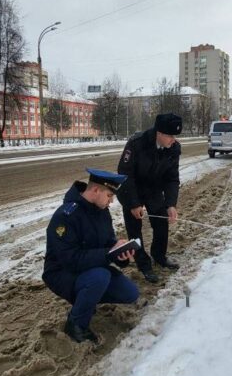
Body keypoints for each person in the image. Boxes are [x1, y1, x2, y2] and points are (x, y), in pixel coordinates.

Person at [43, 168, 140, 343]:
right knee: (99, 277)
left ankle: (87, 298)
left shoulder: (101, 211)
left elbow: (108, 243)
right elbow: (70, 259)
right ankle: (76, 325)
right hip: (61, 272)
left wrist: (120, 254)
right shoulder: (66, 215)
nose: (111, 202)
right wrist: (108, 254)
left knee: (130, 293)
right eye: (109, 196)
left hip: (90, 268)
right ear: (96, 190)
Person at [117, 112, 182, 283]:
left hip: (153, 190)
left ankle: (159, 256)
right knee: (134, 230)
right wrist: (133, 203)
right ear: (159, 133)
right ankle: (143, 264)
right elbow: (125, 174)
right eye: (170, 135)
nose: (173, 140)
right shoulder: (136, 143)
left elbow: (172, 178)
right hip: (131, 189)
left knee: (161, 223)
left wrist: (171, 204)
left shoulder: (174, 148)